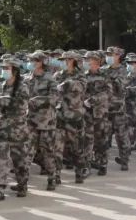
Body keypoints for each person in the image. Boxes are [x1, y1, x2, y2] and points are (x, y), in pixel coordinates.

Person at [0, 55, 28, 201]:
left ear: (15, 71)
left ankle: (22, 184)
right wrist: (5, 101)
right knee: (0, 159)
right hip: (1, 126)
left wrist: (6, 101)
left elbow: (22, 106)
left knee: (19, 159)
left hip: (17, 127)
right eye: (3, 68)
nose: (4, 70)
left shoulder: (23, 87)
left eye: (7, 68)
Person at [23, 51, 58, 193]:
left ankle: (52, 178)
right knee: (27, 152)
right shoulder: (26, 79)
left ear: (41, 62)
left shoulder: (50, 79)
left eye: (35, 60)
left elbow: (55, 98)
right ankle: (22, 183)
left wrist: (38, 100)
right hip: (30, 120)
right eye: (30, 60)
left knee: (47, 151)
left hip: (46, 121)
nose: (31, 63)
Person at [55, 50, 87, 183]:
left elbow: (81, 87)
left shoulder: (80, 75)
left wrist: (67, 83)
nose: (64, 62)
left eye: (67, 60)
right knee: (57, 148)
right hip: (59, 116)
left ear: (73, 61)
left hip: (74, 116)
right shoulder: (57, 75)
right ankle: (56, 175)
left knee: (77, 148)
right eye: (63, 60)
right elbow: (53, 90)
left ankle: (79, 173)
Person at [82, 51, 112, 176]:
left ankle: (103, 164)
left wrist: (93, 100)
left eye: (88, 60)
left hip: (100, 113)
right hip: (87, 113)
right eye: (85, 60)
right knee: (87, 140)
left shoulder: (105, 75)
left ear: (96, 62)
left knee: (101, 140)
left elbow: (108, 93)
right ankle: (86, 166)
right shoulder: (83, 75)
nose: (85, 62)